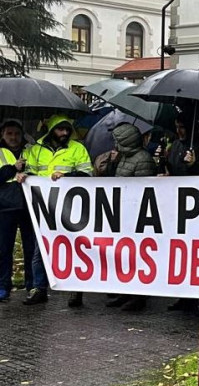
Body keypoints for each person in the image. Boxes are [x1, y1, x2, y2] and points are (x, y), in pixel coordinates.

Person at [17, 115, 93, 307]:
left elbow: (88, 174)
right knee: (40, 249)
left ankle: (76, 290)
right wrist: (23, 176)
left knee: (73, 247)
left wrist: (68, 176)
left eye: (67, 130)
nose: (65, 133)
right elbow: (30, 174)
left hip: (70, 208)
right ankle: (39, 289)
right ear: (51, 130)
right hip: (42, 207)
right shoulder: (35, 150)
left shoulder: (78, 148)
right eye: (61, 130)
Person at [101, 123, 158, 311]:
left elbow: (143, 188)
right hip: (122, 213)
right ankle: (125, 292)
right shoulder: (124, 157)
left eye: (117, 140)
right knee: (124, 255)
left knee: (137, 255)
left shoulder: (143, 159)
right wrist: (113, 163)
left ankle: (138, 295)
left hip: (135, 214)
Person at [0, 120, 33, 302]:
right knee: (4, 249)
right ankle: (3, 286)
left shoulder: (30, 151)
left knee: (30, 248)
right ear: (3, 135)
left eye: (17, 134)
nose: (13, 137)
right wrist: (14, 169)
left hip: (28, 206)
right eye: (9, 134)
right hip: (5, 207)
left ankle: (31, 285)